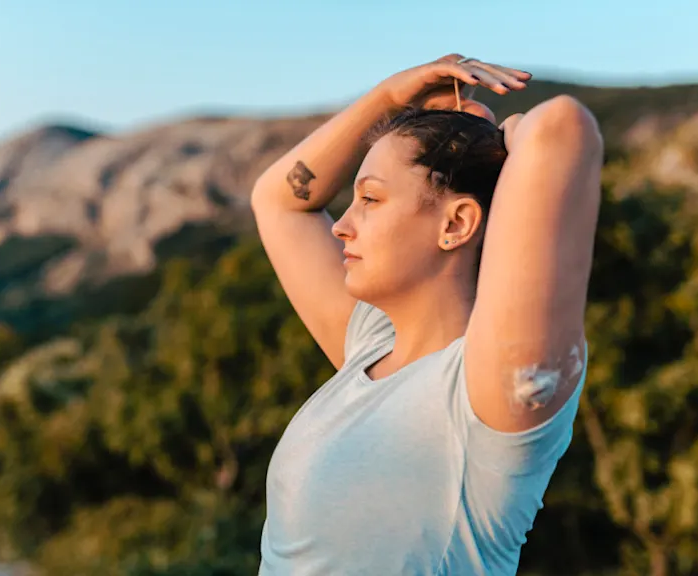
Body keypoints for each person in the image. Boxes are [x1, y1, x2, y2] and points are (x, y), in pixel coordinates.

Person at [249, 54, 603, 575]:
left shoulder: (484, 394)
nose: (341, 226)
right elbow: (279, 200)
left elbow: (563, 130)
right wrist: (390, 99)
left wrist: (497, 137)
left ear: (456, 224)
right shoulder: (368, 344)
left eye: (370, 198)